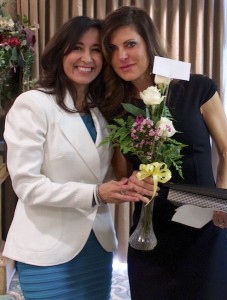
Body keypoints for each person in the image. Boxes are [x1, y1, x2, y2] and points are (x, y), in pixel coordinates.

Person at [3, 15, 148, 300]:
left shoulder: (100, 112)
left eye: (96, 50)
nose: (87, 58)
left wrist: (132, 181)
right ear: (60, 53)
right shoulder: (33, 104)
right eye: (77, 48)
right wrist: (96, 194)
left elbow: (103, 174)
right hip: (47, 249)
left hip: (97, 246)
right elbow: (27, 185)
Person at [101, 6, 227, 300]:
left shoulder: (196, 87)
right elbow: (122, 173)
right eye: (112, 48)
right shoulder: (114, 106)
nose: (121, 56)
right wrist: (131, 180)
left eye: (130, 44)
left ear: (149, 44)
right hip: (150, 231)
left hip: (203, 226)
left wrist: (223, 200)